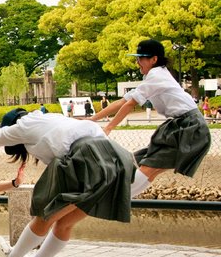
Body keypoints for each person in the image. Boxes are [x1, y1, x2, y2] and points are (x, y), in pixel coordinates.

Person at [0, 108, 135, 257]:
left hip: (85, 157)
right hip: (115, 161)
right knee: (64, 223)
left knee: (46, 213)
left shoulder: (24, 125)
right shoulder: (52, 117)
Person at [90, 39, 211, 199]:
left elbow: (129, 104)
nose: (137, 62)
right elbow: (123, 101)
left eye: (141, 58)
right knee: (147, 164)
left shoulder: (156, 75)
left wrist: (109, 127)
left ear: (154, 59)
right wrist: (92, 119)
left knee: (150, 166)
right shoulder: (155, 75)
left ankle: (113, 199)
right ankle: (117, 198)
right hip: (184, 126)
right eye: (137, 58)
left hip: (189, 127)